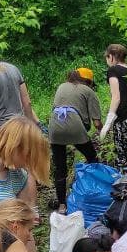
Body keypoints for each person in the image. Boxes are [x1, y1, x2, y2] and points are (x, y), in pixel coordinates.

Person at [50, 68, 101, 212]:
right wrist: (102, 130)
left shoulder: (62, 86)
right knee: (92, 159)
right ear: (89, 82)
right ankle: (94, 192)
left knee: (60, 168)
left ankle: (61, 205)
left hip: (55, 125)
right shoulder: (88, 91)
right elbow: (97, 123)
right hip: (75, 126)